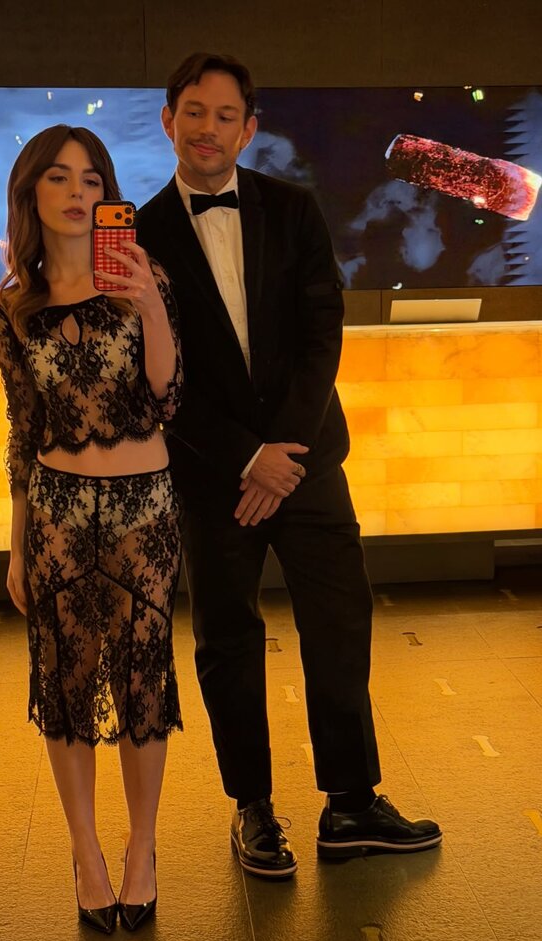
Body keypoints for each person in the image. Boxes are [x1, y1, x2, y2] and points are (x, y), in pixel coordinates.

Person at [136, 53, 441, 879]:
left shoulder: (295, 209)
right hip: (213, 477)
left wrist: (283, 455)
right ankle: (254, 811)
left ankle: (351, 804)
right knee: (227, 642)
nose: (207, 128)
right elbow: (156, 376)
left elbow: (321, 335)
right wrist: (246, 458)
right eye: (193, 112)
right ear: (168, 121)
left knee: (339, 624)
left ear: (249, 129)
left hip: (306, 465)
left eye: (224, 115)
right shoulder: (140, 237)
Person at [0, 125, 183, 933]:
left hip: (145, 513)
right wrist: (16, 544)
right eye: (60, 177)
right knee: (66, 688)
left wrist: (149, 306)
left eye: (92, 179)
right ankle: (87, 853)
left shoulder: (142, 277)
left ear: (108, 195)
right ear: (31, 192)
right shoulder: (13, 306)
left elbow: (169, 396)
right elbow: (22, 429)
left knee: (142, 686)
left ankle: (142, 849)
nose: (78, 192)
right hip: (57, 516)